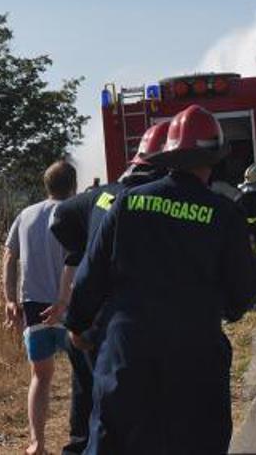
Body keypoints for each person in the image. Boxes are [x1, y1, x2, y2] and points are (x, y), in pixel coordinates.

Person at [64, 104, 256, 455]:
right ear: (214, 159)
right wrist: (220, 310)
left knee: (115, 440)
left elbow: (91, 274)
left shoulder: (126, 204)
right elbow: (242, 294)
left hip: (127, 349)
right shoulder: (225, 214)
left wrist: (77, 326)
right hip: (195, 350)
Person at [49, 122, 168, 455]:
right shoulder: (156, 201)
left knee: (86, 394)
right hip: (121, 322)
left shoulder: (101, 195)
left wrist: (84, 248)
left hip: (86, 314)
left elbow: (59, 219)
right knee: (119, 405)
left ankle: (78, 447)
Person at [3, 159, 77, 455]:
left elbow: (9, 257)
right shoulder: (74, 211)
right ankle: (90, 437)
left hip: (33, 306)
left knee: (41, 377)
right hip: (68, 304)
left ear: (46, 185)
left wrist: (9, 298)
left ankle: (37, 443)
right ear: (73, 185)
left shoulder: (25, 214)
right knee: (87, 373)